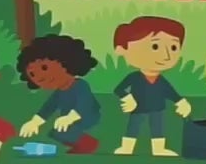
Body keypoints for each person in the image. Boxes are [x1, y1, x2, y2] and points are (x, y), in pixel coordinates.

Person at [111, 16, 192, 156]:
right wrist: (127, 97)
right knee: (133, 126)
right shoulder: (134, 77)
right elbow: (118, 89)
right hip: (138, 108)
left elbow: (170, 92)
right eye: (155, 46)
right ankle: (127, 148)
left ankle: (159, 149)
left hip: (157, 108)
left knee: (157, 128)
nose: (166, 56)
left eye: (173, 47)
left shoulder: (161, 80)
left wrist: (181, 101)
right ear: (123, 48)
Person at [16, 34, 102, 154]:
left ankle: (89, 144)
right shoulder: (59, 92)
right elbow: (48, 108)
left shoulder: (80, 85)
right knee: (56, 132)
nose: (39, 77)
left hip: (87, 116)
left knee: (64, 131)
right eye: (32, 74)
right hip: (68, 120)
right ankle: (81, 145)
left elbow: (85, 105)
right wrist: (34, 122)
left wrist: (70, 118)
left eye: (44, 68)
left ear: (66, 62)